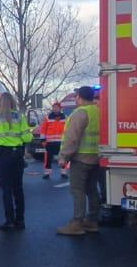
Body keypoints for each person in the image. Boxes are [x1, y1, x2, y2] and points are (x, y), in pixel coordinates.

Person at [57, 84, 103, 236]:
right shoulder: (98, 111)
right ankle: (93, 221)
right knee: (92, 189)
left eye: (76, 96)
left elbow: (72, 138)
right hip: (97, 157)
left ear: (80, 97)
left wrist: (64, 157)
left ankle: (77, 223)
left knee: (78, 190)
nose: (75, 98)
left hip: (81, 158)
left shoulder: (80, 113)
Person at [0, 93, 31, 231]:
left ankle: (9, 221)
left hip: (4, 155)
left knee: (6, 189)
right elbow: (27, 138)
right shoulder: (20, 116)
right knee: (18, 188)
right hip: (17, 154)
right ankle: (20, 220)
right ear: (12, 102)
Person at [40, 102, 67, 180]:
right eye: (54, 107)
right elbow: (43, 129)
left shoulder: (65, 117)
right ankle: (47, 173)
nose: (55, 108)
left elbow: (68, 129)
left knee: (63, 158)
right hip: (49, 142)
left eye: (57, 107)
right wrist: (43, 140)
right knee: (48, 158)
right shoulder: (48, 117)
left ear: (60, 108)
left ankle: (63, 173)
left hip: (62, 142)